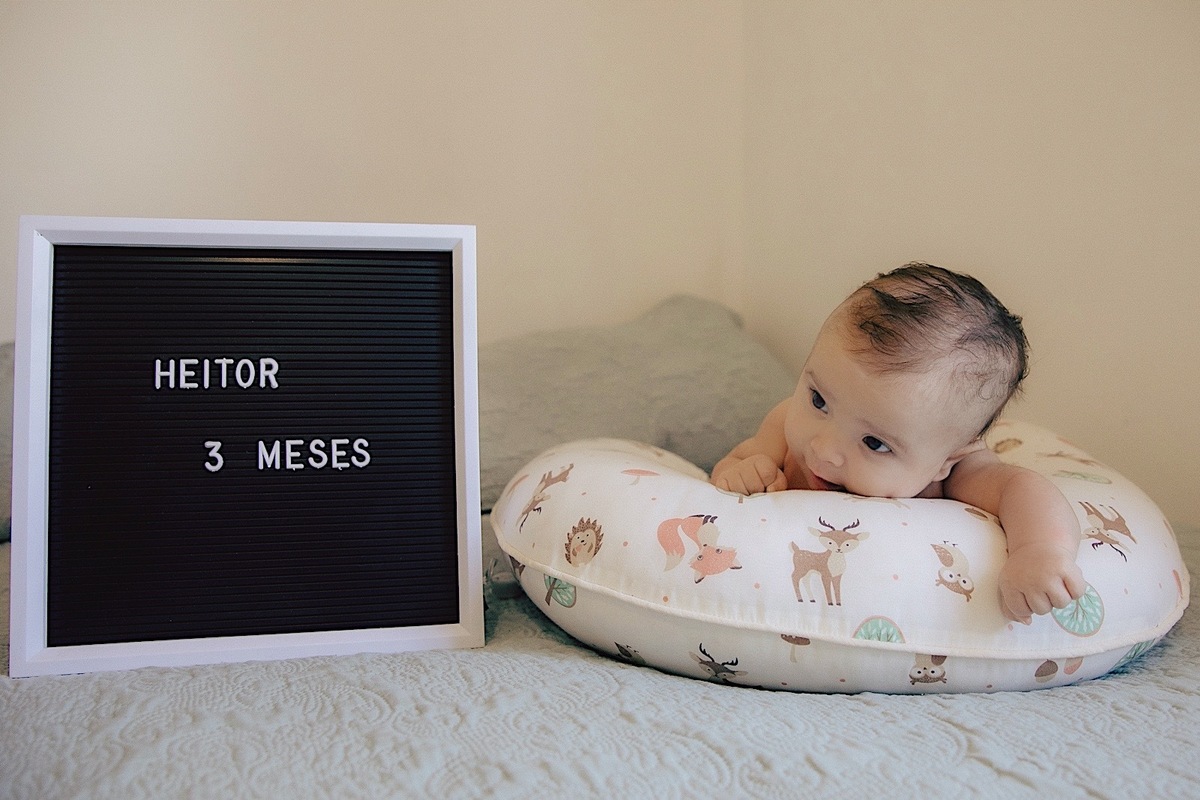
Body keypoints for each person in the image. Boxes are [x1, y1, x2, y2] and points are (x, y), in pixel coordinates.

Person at [710, 263, 1086, 624]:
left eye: (874, 443)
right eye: (819, 400)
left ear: (946, 459)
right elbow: (736, 463)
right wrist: (742, 470)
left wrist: (1038, 550)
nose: (824, 449)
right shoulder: (785, 422)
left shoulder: (954, 474)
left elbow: (1022, 488)